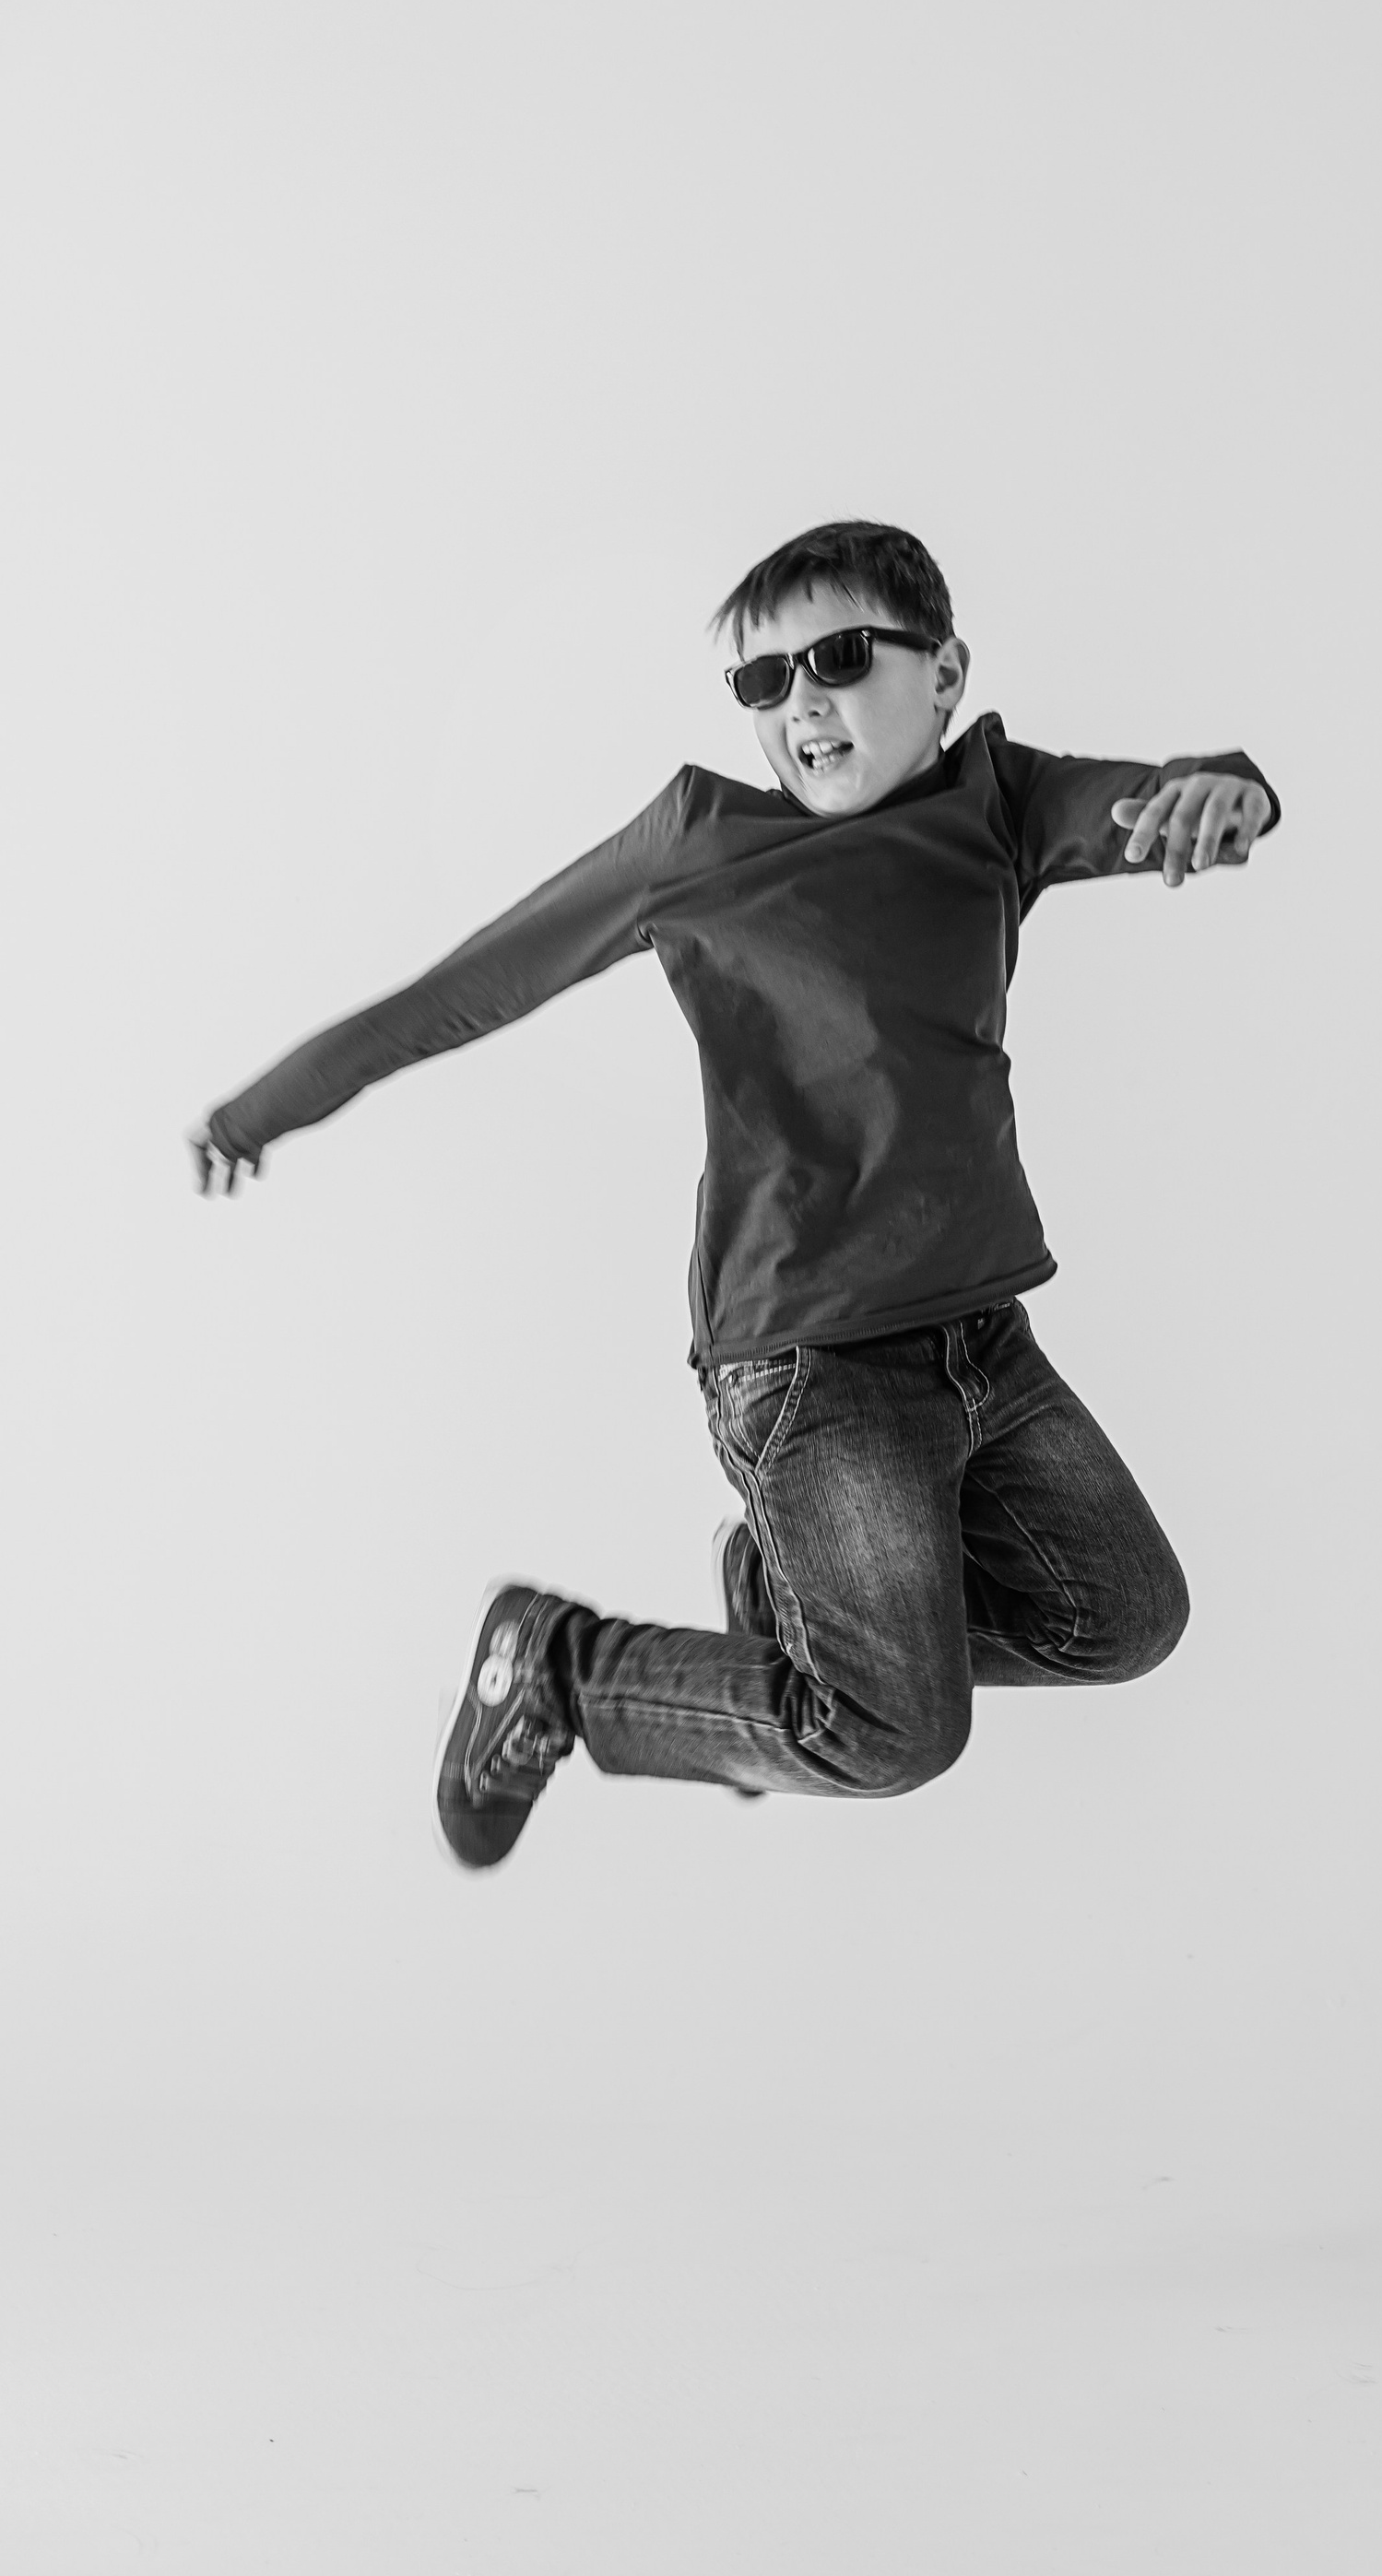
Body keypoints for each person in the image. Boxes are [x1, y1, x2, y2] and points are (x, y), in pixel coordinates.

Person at [192, 519, 1280, 1872]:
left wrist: (1231, 792)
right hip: (812, 1362)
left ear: (944, 676)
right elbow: (471, 988)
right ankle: (562, 1669)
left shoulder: (998, 803)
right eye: (765, 681)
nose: (800, 703)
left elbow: (1155, 801)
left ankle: (788, 1601)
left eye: (839, 657)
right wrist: (267, 1106)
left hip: (983, 1340)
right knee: (889, 1733)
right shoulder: (698, 843)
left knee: (1122, 1620)